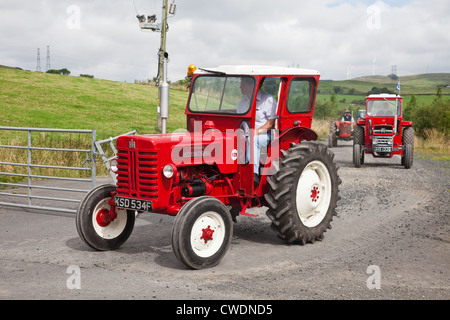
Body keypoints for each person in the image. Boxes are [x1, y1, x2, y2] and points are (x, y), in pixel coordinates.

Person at [238, 78, 278, 185]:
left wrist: (257, 131)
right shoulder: (242, 102)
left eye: (243, 84)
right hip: (247, 134)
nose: (240, 87)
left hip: (265, 134)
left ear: (253, 86)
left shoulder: (268, 100)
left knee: (253, 139)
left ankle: (253, 174)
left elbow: (271, 123)